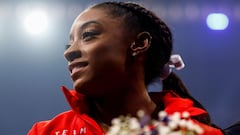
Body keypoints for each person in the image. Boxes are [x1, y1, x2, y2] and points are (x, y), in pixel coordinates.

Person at [28, 1, 224, 135]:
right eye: (68, 44)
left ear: (139, 43)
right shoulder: (47, 131)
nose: (68, 52)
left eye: (88, 35)